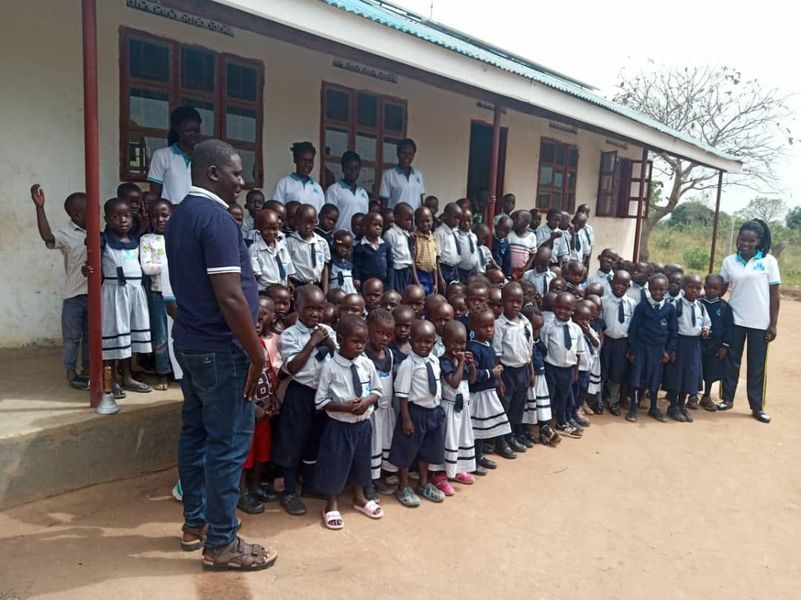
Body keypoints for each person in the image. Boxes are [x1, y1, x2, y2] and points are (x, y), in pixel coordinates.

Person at [164, 138, 276, 570]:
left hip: (190, 345)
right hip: (220, 350)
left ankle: (195, 525)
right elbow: (231, 299)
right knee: (228, 445)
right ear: (213, 173)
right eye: (235, 173)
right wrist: (257, 355)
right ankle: (222, 544)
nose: (241, 181)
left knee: (194, 436)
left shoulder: (179, 217)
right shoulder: (216, 220)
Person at [314, 315, 384, 529]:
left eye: (363, 342)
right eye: (356, 341)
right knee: (336, 463)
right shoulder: (330, 367)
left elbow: (377, 390)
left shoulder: (366, 363)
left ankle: (359, 497)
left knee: (361, 461)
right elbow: (321, 401)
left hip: (363, 424)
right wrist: (345, 407)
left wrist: (367, 401)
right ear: (340, 339)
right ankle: (331, 504)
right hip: (339, 426)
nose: (361, 346)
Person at [275, 285, 338, 516]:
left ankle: (310, 484)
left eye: (319, 309)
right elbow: (291, 367)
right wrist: (312, 342)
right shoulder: (290, 335)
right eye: (309, 308)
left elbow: (339, 358)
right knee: (293, 440)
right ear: (297, 306)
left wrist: (328, 342)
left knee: (315, 440)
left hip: (322, 395)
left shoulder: (327, 330)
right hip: (300, 393)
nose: (314, 314)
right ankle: (289, 491)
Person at [84, 197, 152, 398]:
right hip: (114, 294)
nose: (123, 220)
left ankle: (127, 376)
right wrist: (86, 269)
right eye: (116, 216)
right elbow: (92, 264)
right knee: (113, 337)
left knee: (128, 337)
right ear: (106, 219)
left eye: (127, 216)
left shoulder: (135, 240)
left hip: (135, 294)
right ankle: (110, 379)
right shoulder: (102, 240)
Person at [718, 219, 780, 423]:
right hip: (734, 320)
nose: (745, 244)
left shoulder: (769, 262)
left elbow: (774, 295)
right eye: (742, 239)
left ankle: (757, 406)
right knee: (730, 361)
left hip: (760, 323)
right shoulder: (729, 262)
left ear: (758, 241)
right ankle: (726, 399)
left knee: (756, 365)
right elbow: (720, 289)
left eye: (750, 240)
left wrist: (773, 323)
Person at [30, 184, 89, 390]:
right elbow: (48, 237)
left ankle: (89, 371)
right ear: (76, 214)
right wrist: (40, 208)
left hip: (96, 295)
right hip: (74, 296)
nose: (96, 213)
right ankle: (71, 372)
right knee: (72, 337)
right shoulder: (66, 234)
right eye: (91, 209)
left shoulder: (101, 233)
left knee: (92, 337)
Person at [389, 319, 446, 507]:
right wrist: (406, 418)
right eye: (419, 341)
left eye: (428, 341)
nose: (423, 345)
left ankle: (423, 483)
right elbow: (402, 394)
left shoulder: (435, 360)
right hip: (414, 413)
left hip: (433, 412)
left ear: (434, 343)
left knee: (427, 451)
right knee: (406, 451)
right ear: (411, 340)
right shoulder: (408, 364)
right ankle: (403, 486)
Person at [429, 320, 477, 492]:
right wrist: (462, 362)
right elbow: (454, 383)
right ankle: (440, 475)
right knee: (447, 441)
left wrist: (471, 366)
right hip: (448, 409)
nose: (459, 346)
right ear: (444, 342)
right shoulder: (445, 361)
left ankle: (456, 469)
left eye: (462, 342)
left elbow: (471, 380)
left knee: (459, 439)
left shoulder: (462, 359)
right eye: (454, 342)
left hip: (462, 409)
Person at [626, 274, 677, 423]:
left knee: (655, 379)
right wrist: (633, 349)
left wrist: (668, 351)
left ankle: (653, 408)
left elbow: (673, 332)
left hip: (659, 350)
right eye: (654, 289)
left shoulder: (669, 309)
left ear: (666, 290)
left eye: (661, 289)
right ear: (649, 288)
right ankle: (633, 408)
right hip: (642, 348)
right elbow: (633, 328)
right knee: (636, 379)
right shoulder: (642, 306)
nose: (657, 292)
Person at [467, 309, 511, 474]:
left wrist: (498, 380)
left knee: (483, 429)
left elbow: (493, 367)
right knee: (475, 430)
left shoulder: (488, 345)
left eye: (491, 326)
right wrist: (492, 373)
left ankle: (479, 456)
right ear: (473, 328)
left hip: (488, 392)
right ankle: (472, 460)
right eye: (484, 327)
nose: (489, 330)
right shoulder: (473, 348)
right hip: (478, 395)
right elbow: (473, 375)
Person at [364, 309, 403, 496]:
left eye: (388, 334)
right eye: (379, 333)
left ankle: (377, 478)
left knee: (380, 446)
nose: (384, 338)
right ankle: (367, 484)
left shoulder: (390, 354)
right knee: (370, 447)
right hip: (370, 412)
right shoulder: (363, 356)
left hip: (386, 412)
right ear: (368, 329)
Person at [492, 282, 534, 457]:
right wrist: (499, 379)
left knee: (518, 405)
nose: (515, 305)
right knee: (505, 406)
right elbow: (496, 354)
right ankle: (500, 442)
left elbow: (529, 350)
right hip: (508, 372)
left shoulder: (525, 322)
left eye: (519, 301)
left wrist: (531, 371)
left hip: (523, 370)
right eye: (511, 301)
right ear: (503, 302)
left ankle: (511, 436)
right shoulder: (499, 325)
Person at [662, 275, 711, 423]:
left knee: (689, 376)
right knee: (677, 376)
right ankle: (673, 406)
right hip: (679, 343)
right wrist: (672, 349)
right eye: (691, 287)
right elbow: (670, 328)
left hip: (694, 344)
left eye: (698, 288)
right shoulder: (676, 305)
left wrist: (705, 330)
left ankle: (682, 404)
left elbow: (706, 322)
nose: (694, 291)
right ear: (684, 287)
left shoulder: (700, 306)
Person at [139, 198, 175, 390]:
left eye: (164, 215)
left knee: (178, 333)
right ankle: (163, 372)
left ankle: (179, 371)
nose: (160, 219)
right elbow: (147, 268)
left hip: (180, 294)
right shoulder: (147, 240)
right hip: (158, 294)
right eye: (155, 216)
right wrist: (172, 266)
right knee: (161, 334)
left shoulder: (180, 237)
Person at [541, 293, 586, 438]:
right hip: (551, 368)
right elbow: (543, 350)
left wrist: (576, 371)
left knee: (563, 396)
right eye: (559, 308)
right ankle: (545, 425)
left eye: (567, 309)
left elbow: (578, 352)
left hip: (568, 370)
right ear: (554, 308)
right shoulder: (547, 328)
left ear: (573, 310)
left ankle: (561, 422)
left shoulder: (576, 329)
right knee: (550, 397)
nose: (562, 311)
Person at [520, 306, 560, 445]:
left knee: (540, 404)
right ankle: (524, 431)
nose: (536, 332)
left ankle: (544, 428)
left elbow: (543, 351)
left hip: (540, 376)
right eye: (534, 328)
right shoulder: (524, 340)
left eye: (539, 328)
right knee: (528, 406)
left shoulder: (537, 340)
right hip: (531, 377)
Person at [147, 105, 201, 205]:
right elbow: (155, 194)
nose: (193, 134)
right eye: (188, 131)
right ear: (177, 129)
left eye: (197, 131)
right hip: (172, 216)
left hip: (197, 216)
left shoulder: (203, 157)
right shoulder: (162, 156)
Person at [600, 270, 637, 417]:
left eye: (624, 284)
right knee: (603, 371)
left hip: (622, 343)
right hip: (606, 341)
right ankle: (598, 400)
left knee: (617, 373)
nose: (619, 287)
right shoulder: (603, 301)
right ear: (611, 282)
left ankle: (613, 401)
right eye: (617, 283)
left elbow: (633, 326)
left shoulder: (632, 304)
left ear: (629, 286)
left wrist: (630, 347)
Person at [698, 274, 732, 411]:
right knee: (696, 369)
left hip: (716, 345)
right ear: (704, 288)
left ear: (721, 290)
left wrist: (725, 345)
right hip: (699, 343)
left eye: (715, 288)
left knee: (711, 371)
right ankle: (693, 395)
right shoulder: (699, 303)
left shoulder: (724, 307)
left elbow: (730, 327)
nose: (711, 291)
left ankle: (706, 396)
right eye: (709, 288)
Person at [286, 204, 330, 291]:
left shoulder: (321, 242)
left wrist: (325, 291)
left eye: (311, 222)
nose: (308, 226)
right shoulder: (290, 242)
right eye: (304, 222)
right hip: (297, 285)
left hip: (317, 286)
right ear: (297, 221)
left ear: (316, 222)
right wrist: (288, 282)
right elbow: (285, 265)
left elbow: (325, 267)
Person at [249, 208, 294, 291]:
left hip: (282, 290)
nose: (271, 232)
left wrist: (288, 283)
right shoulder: (255, 249)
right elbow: (255, 276)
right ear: (259, 228)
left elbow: (287, 269)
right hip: (265, 291)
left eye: (275, 228)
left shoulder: (282, 247)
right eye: (267, 228)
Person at [325, 151, 370, 233]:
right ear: (343, 168)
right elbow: (328, 217)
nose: (353, 171)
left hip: (358, 241)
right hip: (340, 239)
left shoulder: (363, 193)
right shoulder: (334, 190)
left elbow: (365, 218)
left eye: (356, 168)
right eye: (349, 167)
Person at [272, 142, 325, 210]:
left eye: (310, 161)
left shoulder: (317, 188)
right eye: (303, 160)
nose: (307, 164)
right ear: (295, 160)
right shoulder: (284, 183)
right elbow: (277, 210)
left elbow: (321, 214)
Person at [379, 138, 426, 210]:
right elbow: (384, 203)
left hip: (415, 219)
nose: (406, 157)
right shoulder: (388, 175)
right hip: (396, 219)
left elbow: (420, 200)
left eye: (410, 154)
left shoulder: (418, 175)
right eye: (403, 153)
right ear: (397, 153)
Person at [383, 202, 417, 293]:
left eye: (411, 220)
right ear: (396, 218)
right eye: (407, 219)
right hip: (397, 272)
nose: (410, 222)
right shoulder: (390, 234)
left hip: (407, 270)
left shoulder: (406, 233)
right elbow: (390, 257)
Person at [353, 212, 392, 288]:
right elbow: (357, 266)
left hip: (383, 284)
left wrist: (390, 284)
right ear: (365, 226)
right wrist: (357, 279)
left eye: (380, 226)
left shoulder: (386, 245)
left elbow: (390, 266)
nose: (378, 228)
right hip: (366, 284)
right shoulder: (360, 247)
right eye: (375, 225)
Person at [412, 206, 440, 294]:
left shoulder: (433, 238)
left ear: (432, 221)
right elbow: (412, 261)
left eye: (428, 221)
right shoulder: (414, 238)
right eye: (422, 221)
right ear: (416, 222)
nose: (425, 224)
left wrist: (436, 283)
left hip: (430, 275)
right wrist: (417, 282)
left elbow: (434, 263)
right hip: (419, 274)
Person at [435, 203, 462, 287]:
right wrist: (440, 277)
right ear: (446, 216)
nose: (457, 221)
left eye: (459, 218)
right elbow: (436, 258)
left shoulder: (455, 232)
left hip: (455, 268)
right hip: (444, 269)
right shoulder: (439, 233)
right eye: (455, 218)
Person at [508, 211, 538, 280]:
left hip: (522, 270)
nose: (514, 221)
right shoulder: (509, 234)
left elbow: (533, 254)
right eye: (513, 219)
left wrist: (527, 268)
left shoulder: (532, 236)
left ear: (526, 222)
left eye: (517, 219)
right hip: (509, 269)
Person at [328, 230, 357, 294]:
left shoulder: (350, 262)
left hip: (350, 290)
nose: (344, 249)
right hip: (336, 290)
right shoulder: (331, 261)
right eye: (341, 246)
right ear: (334, 245)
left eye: (347, 247)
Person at [456, 208, 480, 282]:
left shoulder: (473, 236)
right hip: (460, 270)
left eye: (469, 221)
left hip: (472, 270)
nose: (466, 223)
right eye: (463, 221)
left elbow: (475, 253)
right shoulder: (456, 235)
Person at [491, 215, 513, 279]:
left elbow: (508, 260)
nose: (502, 233)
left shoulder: (506, 243)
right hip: (491, 269)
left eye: (506, 231)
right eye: (501, 229)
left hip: (501, 270)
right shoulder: (491, 240)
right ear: (496, 227)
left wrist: (509, 274)